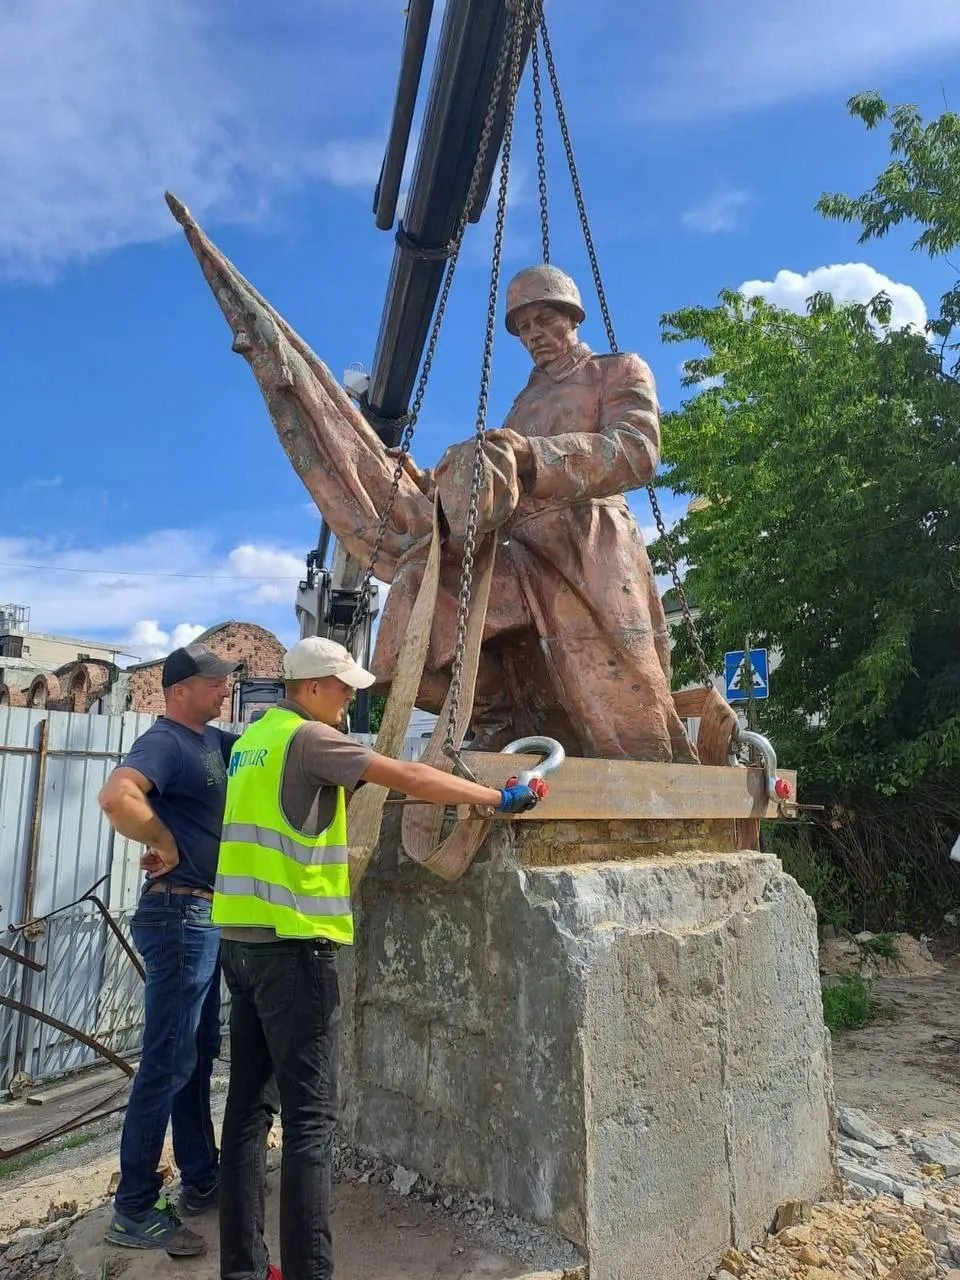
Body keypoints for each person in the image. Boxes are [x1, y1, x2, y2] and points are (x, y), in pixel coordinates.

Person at [166, 196, 697, 765]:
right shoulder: (525, 400)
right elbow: (498, 486)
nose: (534, 334)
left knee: (610, 695)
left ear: (572, 316)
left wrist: (530, 456)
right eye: (522, 327)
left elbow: (637, 452)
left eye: (544, 320)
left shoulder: (616, 371)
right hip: (519, 550)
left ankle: (642, 771)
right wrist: (427, 484)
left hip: (586, 547)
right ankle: (494, 713)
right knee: (420, 589)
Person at [215, 636, 541, 1280]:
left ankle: (244, 1270)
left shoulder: (255, 739)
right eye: (341, 686)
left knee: (247, 1115)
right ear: (309, 687)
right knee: (310, 1124)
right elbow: (410, 777)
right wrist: (495, 799)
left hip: (242, 945)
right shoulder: (310, 740)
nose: (351, 695)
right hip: (295, 948)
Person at [97, 643, 242, 1257]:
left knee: (197, 1053)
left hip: (203, 913)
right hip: (180, 912)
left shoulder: (215, 743)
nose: (224, 691)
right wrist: (161, 837)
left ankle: (202, 1178)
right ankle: (133, 1206)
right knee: (167, 1060)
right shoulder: (166, 742)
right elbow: (116, 796)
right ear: (178, 690)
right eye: (214, 683)